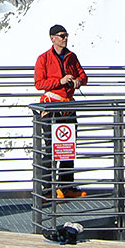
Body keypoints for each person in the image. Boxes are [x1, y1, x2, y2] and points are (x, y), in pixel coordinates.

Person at [34, 24, 88, 199]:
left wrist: (78, 81)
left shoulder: (72, 57)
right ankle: (48, 190)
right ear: (52, 38)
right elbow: (39, 83)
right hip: (51, 107)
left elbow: (84, 76)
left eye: (66, 35)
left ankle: (66, 187)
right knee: (50, 147)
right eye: (61, 35)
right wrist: (60, 81)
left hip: (68, 107)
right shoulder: (43, 59)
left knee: (68, 146)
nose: (65, 38)